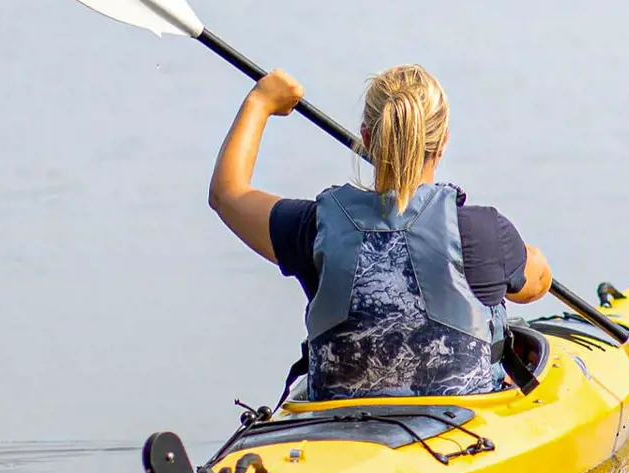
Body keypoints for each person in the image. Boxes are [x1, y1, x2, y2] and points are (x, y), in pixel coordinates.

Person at [208, 63, 552, 400]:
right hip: (462, 421)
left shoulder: (313, 228)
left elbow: (227, 194)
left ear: (367, 138)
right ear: (443, 141)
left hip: (339, 422)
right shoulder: (484, 232)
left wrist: (260, 101)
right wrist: (516, 254)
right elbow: (536, 284)